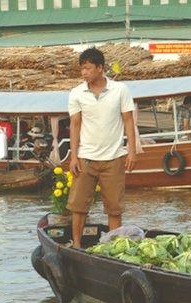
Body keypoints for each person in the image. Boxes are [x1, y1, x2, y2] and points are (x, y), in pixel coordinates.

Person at [66, 47, 137, 248]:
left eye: (87, 68)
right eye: (82, 69)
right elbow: (75, 125)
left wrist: (131, 151)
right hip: (85, 158)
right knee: (78, 206)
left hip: (114, 157)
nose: (84, 73)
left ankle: (112, 248)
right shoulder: (77, 93)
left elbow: (128, 121)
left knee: (114, 208)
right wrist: (74, 157)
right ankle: (77, 244)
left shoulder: (120, 90)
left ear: (100, 68)